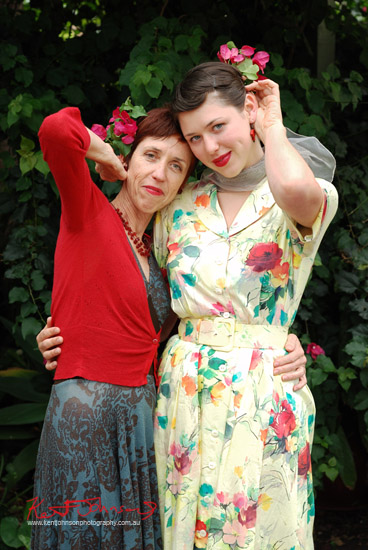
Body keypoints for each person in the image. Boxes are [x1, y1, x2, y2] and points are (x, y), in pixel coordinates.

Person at [152, 62, 338, 549]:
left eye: (219, 126)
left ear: (249, 110)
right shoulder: (179, 205)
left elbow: (297, 193)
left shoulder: (299, 190)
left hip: (264, 393)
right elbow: (144, 298)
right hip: (183, 397)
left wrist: (272, 124)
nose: (210, 147)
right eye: (194, 138)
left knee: (261, 532)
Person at [30, 105, 196, 550]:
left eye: (176, 166)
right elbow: (56, 130)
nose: (160, 173)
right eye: (151, 156)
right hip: (85, 417)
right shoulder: (88, 211)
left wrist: (284, 343)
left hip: (140, 425)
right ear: (131, 158)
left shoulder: (164, 261)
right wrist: (104, 155)